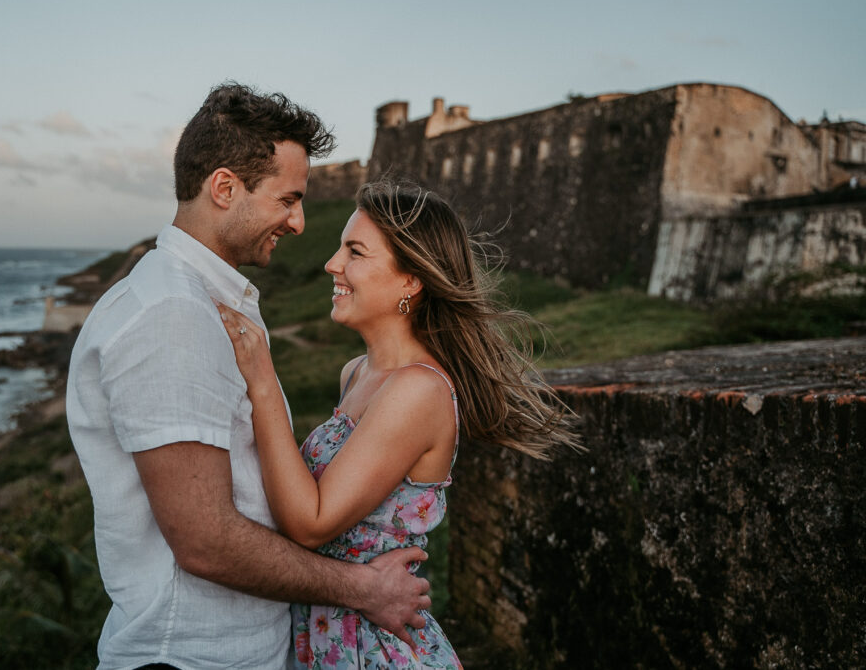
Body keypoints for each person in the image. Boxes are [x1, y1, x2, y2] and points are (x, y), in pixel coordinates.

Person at [66, 85, 431, 670]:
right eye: (288, 199)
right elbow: (204, 541)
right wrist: (362, 589)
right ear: (225, 188)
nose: (299, 222)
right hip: (192, 655)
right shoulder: (172, 315)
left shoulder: (203, 301)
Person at [218, 181, 580, 668]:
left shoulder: (419, 390)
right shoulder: (357, 373)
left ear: (411, 281)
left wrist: (262, 381)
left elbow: (310, 524)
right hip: (328, 632)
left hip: (375, 647)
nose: (332, 264)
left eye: (355, 252)